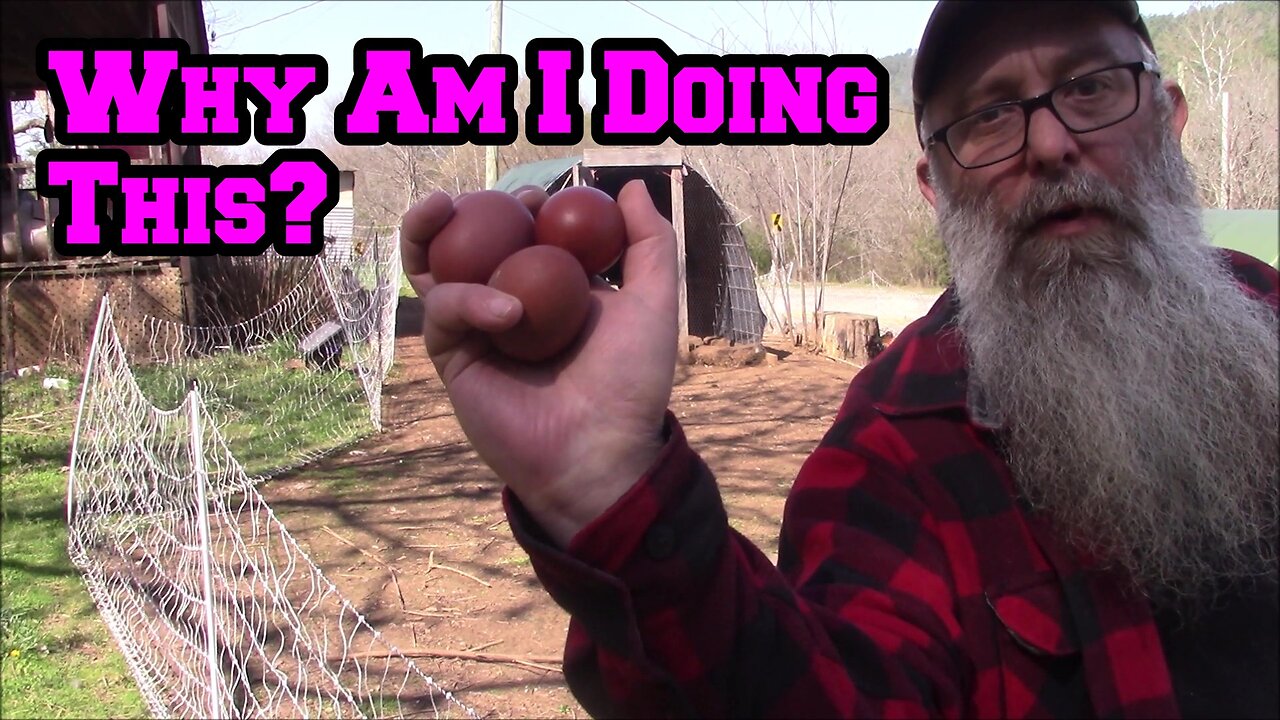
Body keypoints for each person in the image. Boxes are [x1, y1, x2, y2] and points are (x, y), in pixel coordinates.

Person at [399, 1, 1279, 717]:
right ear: (936, 187)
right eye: (989, 116)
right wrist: (608, 489)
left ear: (1169, 118)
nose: (1050, 144)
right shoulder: (895, 452)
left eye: (1091, 87)